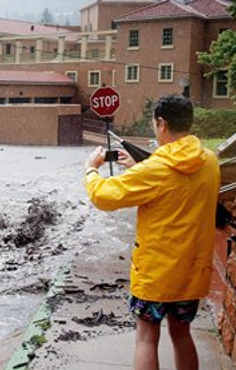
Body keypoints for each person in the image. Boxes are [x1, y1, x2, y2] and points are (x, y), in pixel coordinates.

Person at [83, 94, 220, 370]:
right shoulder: (209, 161)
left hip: (156, 275)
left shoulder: (154, 170)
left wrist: (91, 170)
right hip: (191, 273)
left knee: (146, 339)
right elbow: (178, 185)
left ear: (162, 123)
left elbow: (105, 196)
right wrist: (139, 168)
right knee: (182, 334)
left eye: (155, 125)